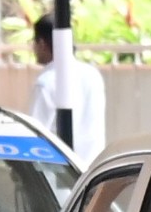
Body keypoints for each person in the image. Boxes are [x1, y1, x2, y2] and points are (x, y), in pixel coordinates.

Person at [27, 11, 106, 168]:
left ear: (42, 43)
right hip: (93, 172)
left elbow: (35, 135)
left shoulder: (47, 82)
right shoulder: (92, 75)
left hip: (60, 176)